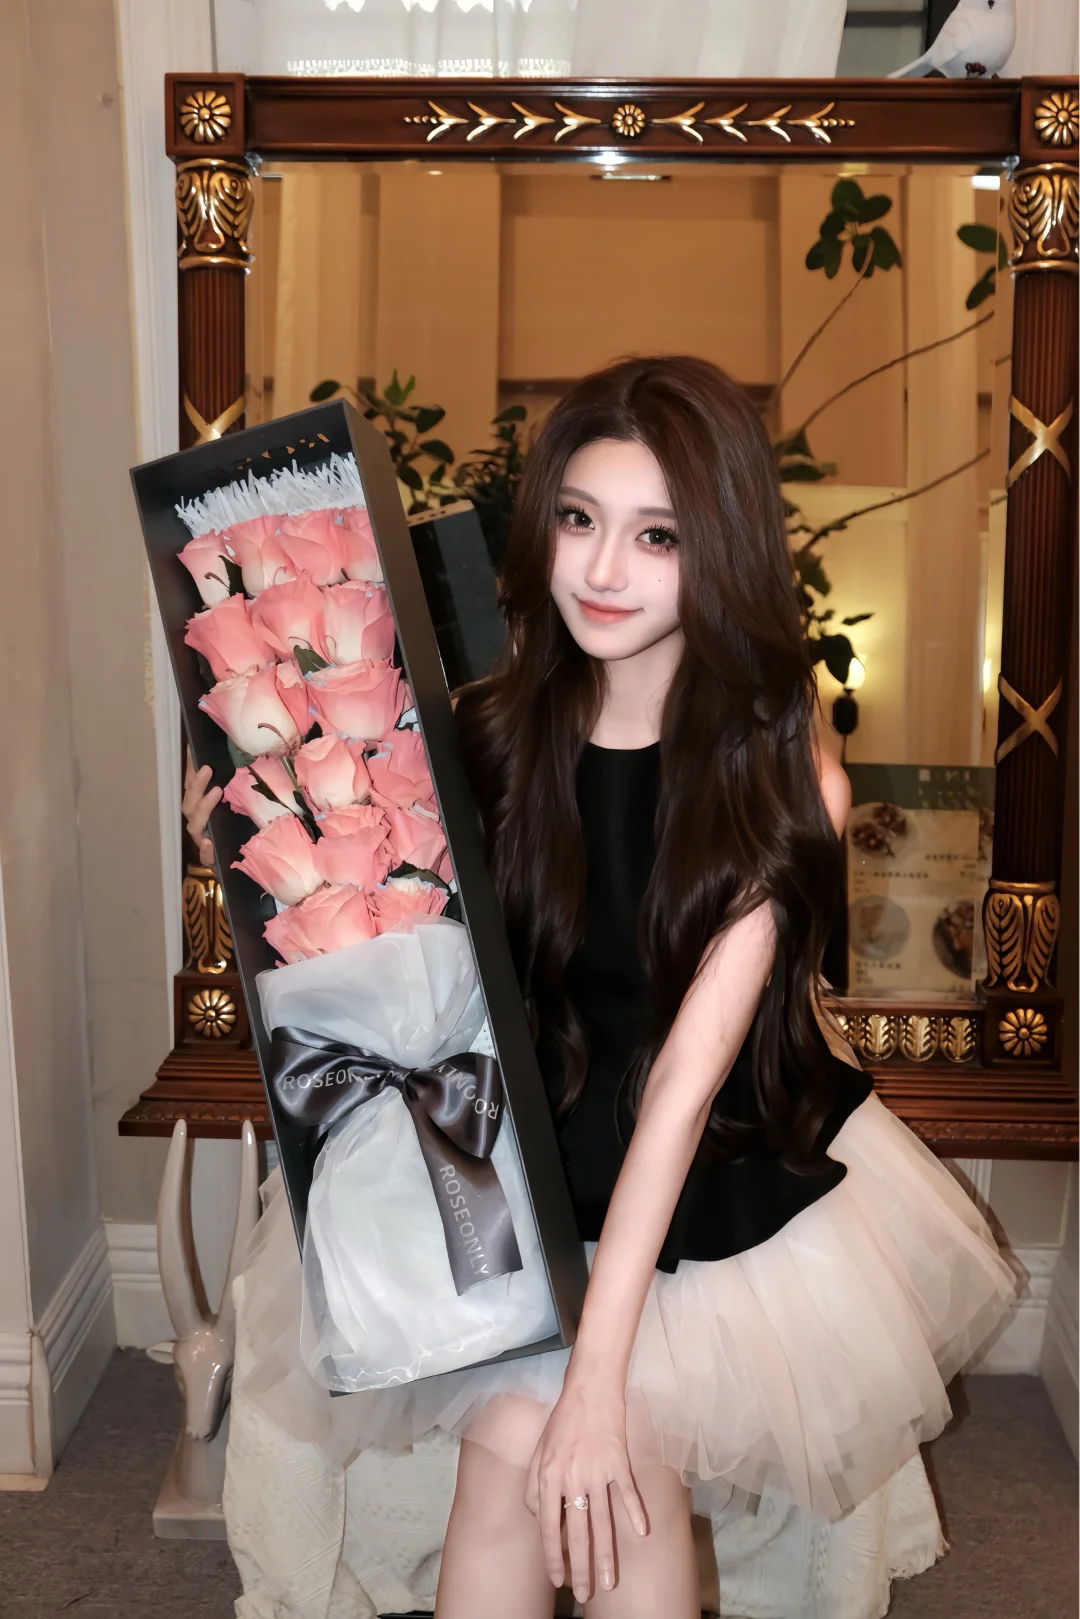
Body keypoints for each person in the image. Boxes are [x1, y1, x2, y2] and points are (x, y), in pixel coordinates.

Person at [185, 355, 1014, 1618]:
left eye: (656, 535)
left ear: (719, 547)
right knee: (529, 1471)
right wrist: (246, 850)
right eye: (579, 519)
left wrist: (596, 1381)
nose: (604, 568)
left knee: (589, 1463)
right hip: (526, 1152)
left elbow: (682, 1085)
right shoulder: (486, 731)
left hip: (703, 1178)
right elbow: (399, 961)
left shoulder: (781, 778)